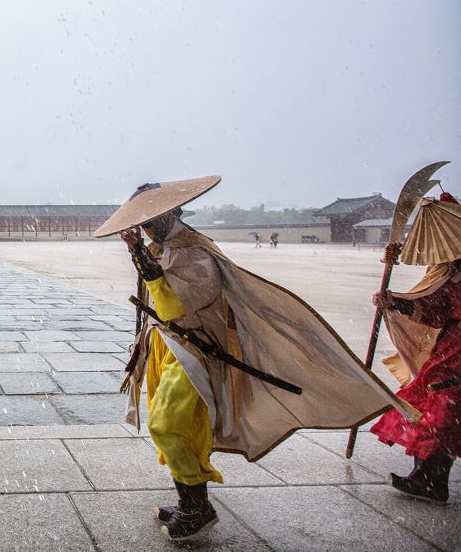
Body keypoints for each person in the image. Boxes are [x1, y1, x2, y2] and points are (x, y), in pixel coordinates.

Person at [96, 176, 412, 542]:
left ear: (170, 215)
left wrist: (142, 261)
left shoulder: (195, 252)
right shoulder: (162, 248)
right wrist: (143, 257)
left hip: (196, 351)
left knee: (171, 422)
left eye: (151, 221)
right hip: (171, 348)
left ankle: (199, 507)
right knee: (177, 425)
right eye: (144, 224)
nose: (147, 229)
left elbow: (174, 305)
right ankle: (189, 498)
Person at [370, 191, 461, 503]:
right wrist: (396, 302)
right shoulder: (448, 269)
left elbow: (441, 305)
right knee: (436, 403)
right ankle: (426, 475)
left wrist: (398, 302)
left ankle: (431, 479)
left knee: (443, 406)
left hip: (456, 354)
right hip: (450, 348)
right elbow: (434, 308)